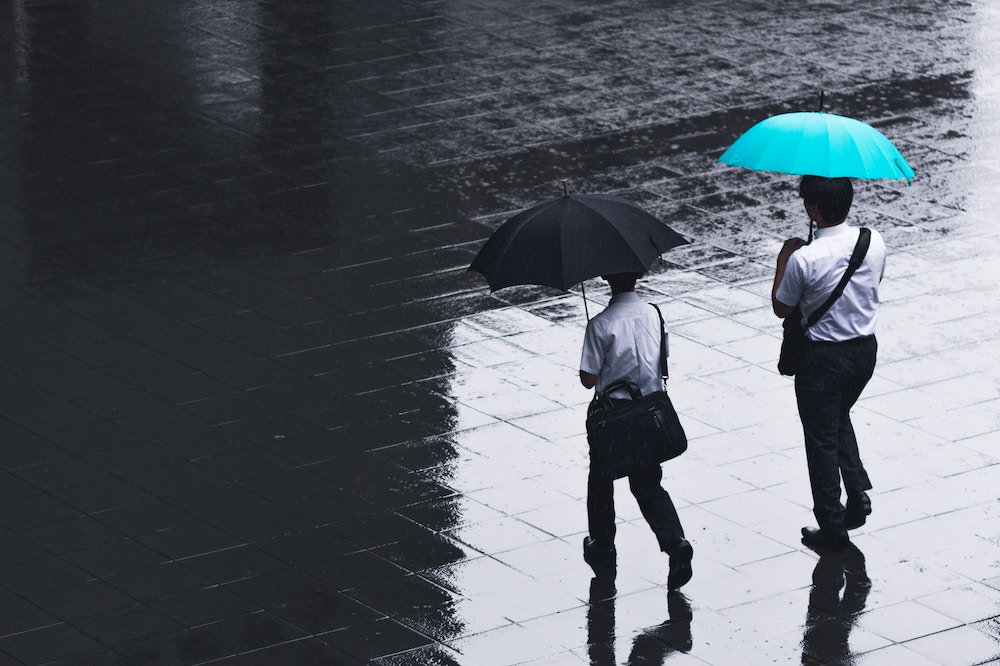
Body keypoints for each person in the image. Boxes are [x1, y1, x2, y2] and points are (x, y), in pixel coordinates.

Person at [772, 175, 887, 552]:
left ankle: (833, 528)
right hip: (864, 353)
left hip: (821, 361)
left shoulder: (804, 259)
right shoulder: (873, 242)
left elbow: (782, 306)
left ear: (812, 208)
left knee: (820, 440)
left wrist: (784, 258)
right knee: (838, 419)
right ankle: (857, 492)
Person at [579, 272, 693, 589]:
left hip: (615, 419)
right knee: (647, 485)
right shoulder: (654, 313)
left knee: (601, 483)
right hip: (649, 415)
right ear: (639, 274)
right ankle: (675, 543)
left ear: (604, 278)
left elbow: (588, 379)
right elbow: (662, 359)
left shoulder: (600, 324)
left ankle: (603, 548)